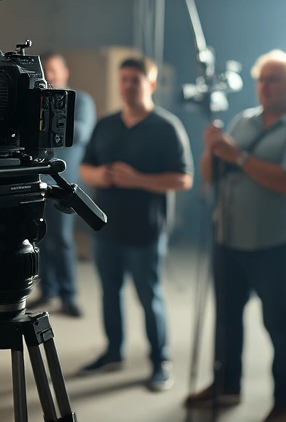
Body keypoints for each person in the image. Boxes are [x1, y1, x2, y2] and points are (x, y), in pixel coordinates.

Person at [186, 50, 286, 422]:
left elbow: (285, 182)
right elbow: (210, 174)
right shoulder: (243, 120)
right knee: (227, 319)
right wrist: (212, 149)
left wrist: (238, 157)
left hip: (274, 244)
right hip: (228, 238)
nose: (265, 86)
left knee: (281, 325)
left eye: (274, 79)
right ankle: (226, 384)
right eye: (261, 79)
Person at [78, 57, 194, 392]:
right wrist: (97, 175)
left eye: (136, 80)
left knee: (149, 297)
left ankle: (160, 361)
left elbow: (183, 179)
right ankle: (113, 352)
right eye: (124, 79)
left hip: (146, 230)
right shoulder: (106, 124)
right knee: (109, 294)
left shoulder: (166, 127)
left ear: (151, 84)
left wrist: (138, 179)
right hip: (105, 229)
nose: (128, 86)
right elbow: (86, 168)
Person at [27, 51, 96, 318]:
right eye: (47, 71)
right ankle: (48, 291)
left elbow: (81, 134)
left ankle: (68, 295)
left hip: (65, 183)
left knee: (62, 239)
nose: (51, 76)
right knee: (40, 238)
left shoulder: (81, 100)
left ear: (65, 71)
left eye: (55, 70)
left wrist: (49, 118)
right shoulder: (36, 101)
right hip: (36, 180)